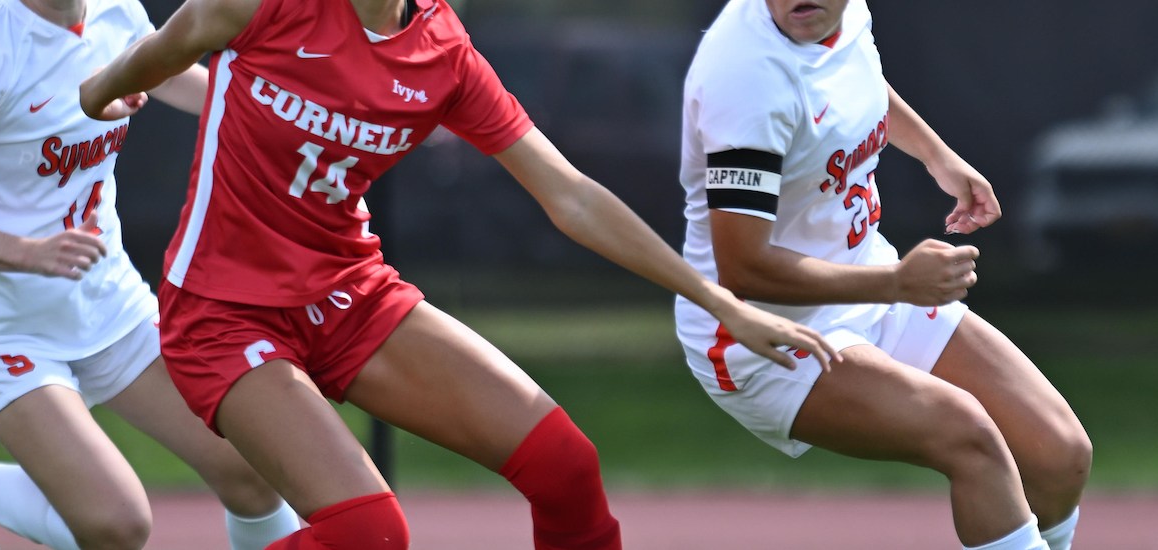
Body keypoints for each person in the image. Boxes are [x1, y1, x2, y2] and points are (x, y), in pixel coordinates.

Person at [74, 0, 838, 547]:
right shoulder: (262, 7)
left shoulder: (442, 52)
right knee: (368, 532)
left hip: (351, 298)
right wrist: (98, 93)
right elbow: (157, 53)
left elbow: (569, 195)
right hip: (223, 314)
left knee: (566, 467)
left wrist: (716, 300)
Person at [674, 1, 1093, 549]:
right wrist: (896, 283)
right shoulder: (747, 81)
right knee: (967, 436)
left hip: (865, 281)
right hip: (759, 335)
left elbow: (858, 79)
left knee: (1058, 451)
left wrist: (937, 156)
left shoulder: (843, 16)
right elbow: (742, 271)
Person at [0, 0, 301, 548]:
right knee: (120, 524)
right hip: (1, 329)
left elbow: (167, 73)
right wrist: (28, 253)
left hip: (108, 302)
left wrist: (274, 117)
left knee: (254, 472)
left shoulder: (118, 12)